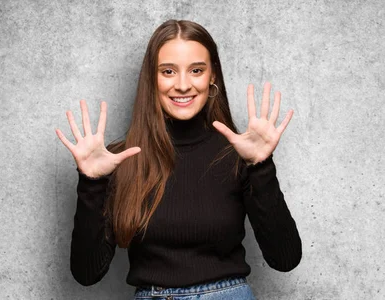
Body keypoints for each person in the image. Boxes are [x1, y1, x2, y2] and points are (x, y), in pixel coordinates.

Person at [55, 19, 302, 300]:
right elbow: (87, 274)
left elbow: (285, 259)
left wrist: (261, 166)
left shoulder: (236, 155)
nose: (183, 85)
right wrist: (92, 182)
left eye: (196, 70)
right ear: (152, 78)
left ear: (212, 77)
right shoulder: (121, 159)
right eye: (168, 71)